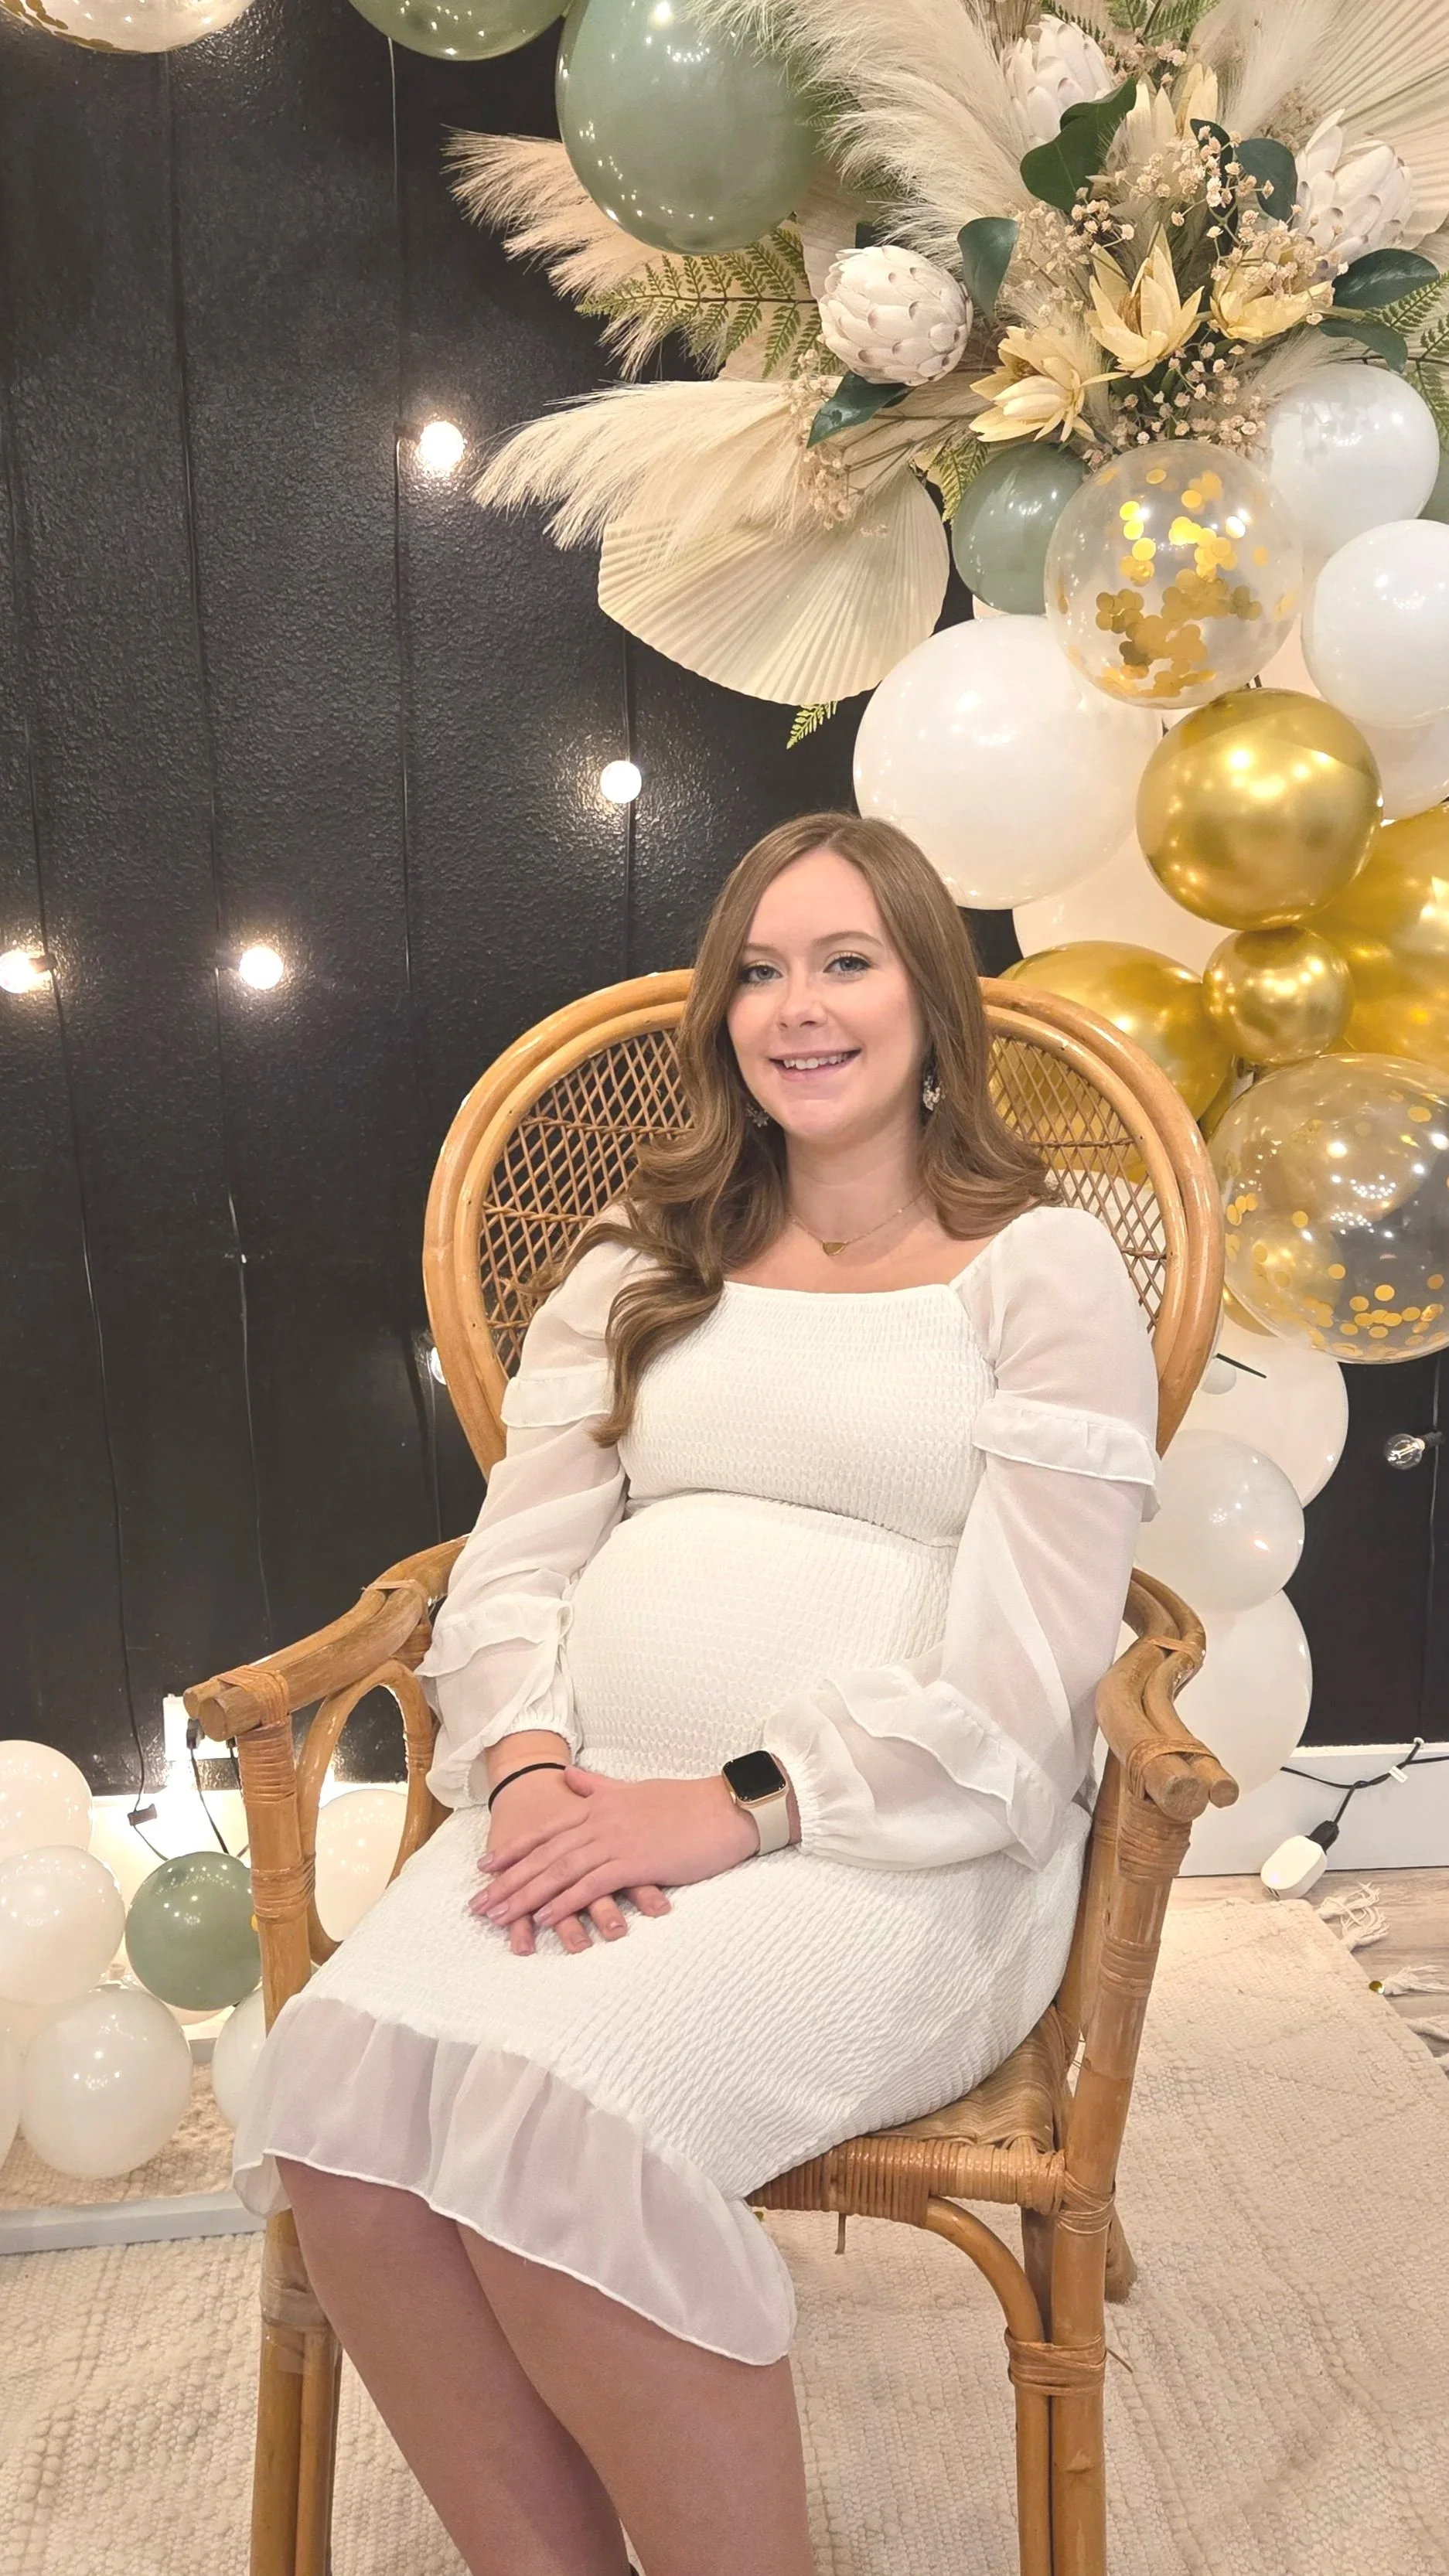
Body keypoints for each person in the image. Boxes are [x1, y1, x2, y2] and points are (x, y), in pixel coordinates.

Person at [233, 811, 1161, 2576]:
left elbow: (1027, 1673)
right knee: (342, 2096)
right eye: (756, 969)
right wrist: (517, 1767)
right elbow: (515, 1561)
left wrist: (726, 1802)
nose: (793, 1008)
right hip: (578, 1807)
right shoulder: (640, 1255)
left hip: (889, 1843)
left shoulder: (1042, 1271)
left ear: (927, 998)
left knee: (559, 2125)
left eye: (842, 962)